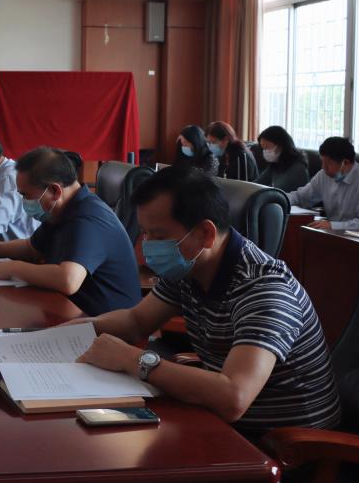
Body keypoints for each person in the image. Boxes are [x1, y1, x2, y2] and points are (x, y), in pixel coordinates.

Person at [73, 166, 340, 436]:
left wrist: (132, 359)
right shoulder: (189, 266)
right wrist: (68, 331)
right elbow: (135, 321)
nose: (148, 246)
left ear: (205, 234)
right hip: (221, 423)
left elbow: (233, 397)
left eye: (159, 236)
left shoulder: (264, 289)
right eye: (145, 233)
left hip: (282, 444)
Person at [0, 148, 141, 316]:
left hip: (108, 325)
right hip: (73, 311)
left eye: (26, 195)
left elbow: (68, 280)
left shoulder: (88, 218)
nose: (24, 201)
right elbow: (31, 248)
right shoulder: (61, 209)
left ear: (54, 191)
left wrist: (12, 268)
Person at [288, 137, 359, 231]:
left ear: (345, 163)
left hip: (354, 236)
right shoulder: (323, 175)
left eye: (328, 164)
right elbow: (301, 197)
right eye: (322, 162)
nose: (323, 167)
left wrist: (333, 225)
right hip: (329, 233)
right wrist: (280, 199)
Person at [254, 125, 310, 193]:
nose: (265, 152)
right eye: (263, 148)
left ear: (281, 145)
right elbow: (257, 183)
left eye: (267, 147)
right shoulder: (276, 163)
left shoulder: (297, 168)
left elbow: (279, 193)